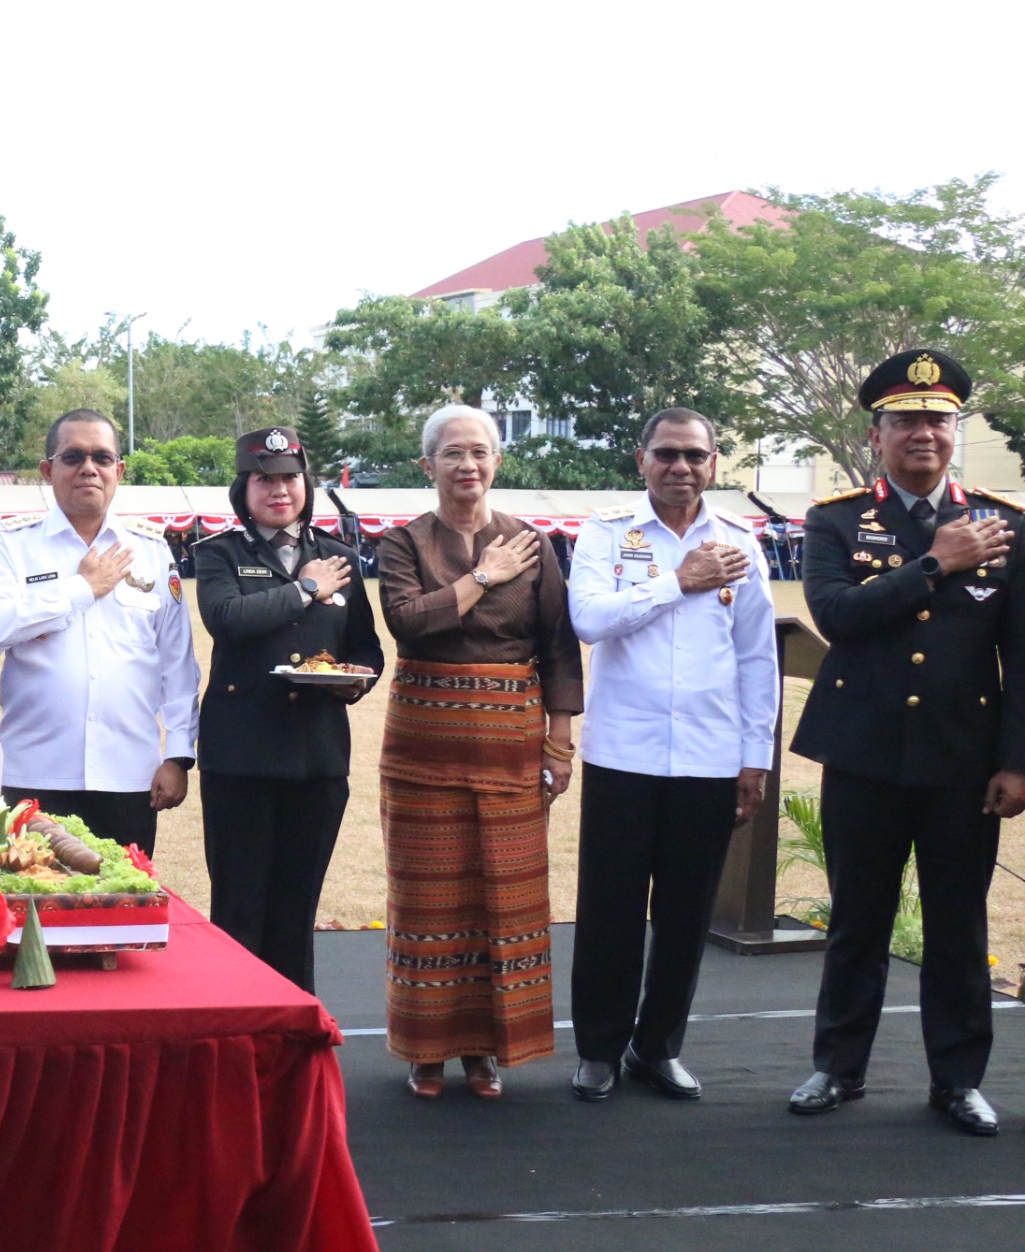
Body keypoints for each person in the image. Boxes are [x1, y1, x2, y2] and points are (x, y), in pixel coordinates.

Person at [787, 350, 1025, 1136]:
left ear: (955, 432)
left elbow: (1022, 654)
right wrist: (934, 563)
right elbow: (836, 615)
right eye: (906, 420)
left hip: (963, 760)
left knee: (958, 923)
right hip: (865, 753)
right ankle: (838, 1066)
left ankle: (957, 1079)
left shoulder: (1005, 524)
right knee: (859, 918)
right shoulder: (837, 519)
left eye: (937, 420)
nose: (924, 432)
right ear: (877, 435)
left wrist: (1017, 760)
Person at [563, 409, 777, 1102]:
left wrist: (755, 756)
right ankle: (599, 1048)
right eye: (666, 453)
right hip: (624, 753)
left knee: (686, 915)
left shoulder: (739, 540)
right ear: (641, 460)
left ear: (713, 463)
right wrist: (676, 580)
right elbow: (588, 619)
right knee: (611, 909)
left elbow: (757, 657)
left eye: (694, 455)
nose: (680, 466)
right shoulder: (606, 533)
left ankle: (657, 1047)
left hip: (710, 757)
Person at [374, 404, 580, 1101]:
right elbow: (408, 623)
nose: (467, 464)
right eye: (452, 453)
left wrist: (559, 741)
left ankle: (485, 1051)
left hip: (511, 750)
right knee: (428, 897)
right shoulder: (403, 543)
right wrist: (484, 577)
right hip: (423, 749)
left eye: (479, 452)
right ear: (426, 465)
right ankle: (426, 1051)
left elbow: (558, 646)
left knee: (506, 896)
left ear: (497, 461)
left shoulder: (533, 542)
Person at [190, 425, 382, 993]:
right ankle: (237, 1025)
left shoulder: (339, 557)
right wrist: (303, 590)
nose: (279, 490)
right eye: (264, 479)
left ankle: (296, 1027)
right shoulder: (219, 553)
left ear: (306, 484)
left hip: (316, 757)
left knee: (297, 910)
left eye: (290, 478)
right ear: (243, 490)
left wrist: (353, 682)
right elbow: (227, 619)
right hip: (242, 758)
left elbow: (366, 649)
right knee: (239, 908)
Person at [0, 409, 198, 855]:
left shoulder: (151, 550)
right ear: (47, 470)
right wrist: (81, 589)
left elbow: (177, 664)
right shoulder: (13, 543)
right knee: (32, 896)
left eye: (102, 457)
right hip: (35, 771)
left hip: (128, 775)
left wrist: (177, 756)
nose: (89, 468)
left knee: (125, 896)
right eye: (73, 457)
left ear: (119, 470)